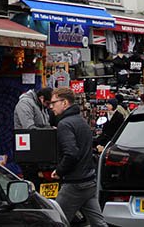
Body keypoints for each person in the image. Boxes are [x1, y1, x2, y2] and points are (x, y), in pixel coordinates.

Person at [49, 87, 107, 227]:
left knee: (56, 221)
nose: (51, 107)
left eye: (54, 102)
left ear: (65, 102)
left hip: (75, 183)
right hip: (89, 181)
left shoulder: (64, 124)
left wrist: (59, 171)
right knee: (98, 223)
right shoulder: (81, 121)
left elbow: (71, 153)